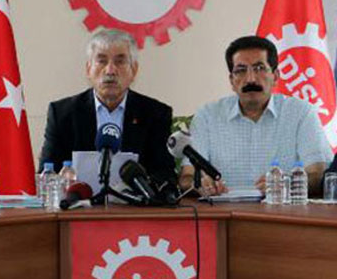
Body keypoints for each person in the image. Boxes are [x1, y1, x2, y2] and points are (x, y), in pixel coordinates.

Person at [179, 35, 332, 196]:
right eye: (241, 70)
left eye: (259, 68)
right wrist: (199, 184)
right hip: (222, 209)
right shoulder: (207, 116)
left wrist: (287, 184)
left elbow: (318, 175)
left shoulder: (301, 113)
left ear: (275, 76)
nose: (251, 79)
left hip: (280, 208)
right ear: (231, 80)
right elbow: (187, 177)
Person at [38, 29, 176, 183]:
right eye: (102, 61)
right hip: (79, 198)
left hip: (133, 199)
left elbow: (164, 173)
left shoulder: (155, 114)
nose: (110, 71)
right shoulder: (62, 113)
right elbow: (47, 173)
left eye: (120, 62)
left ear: (134, 70)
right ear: (88, 69)